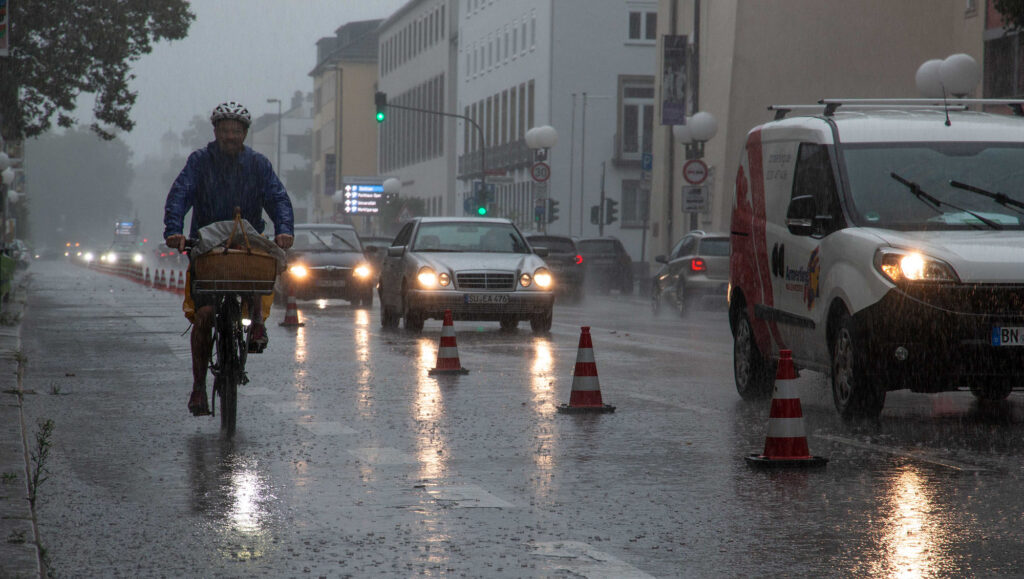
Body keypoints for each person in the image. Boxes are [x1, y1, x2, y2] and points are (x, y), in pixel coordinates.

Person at [164, 101, 295, 416]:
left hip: (245, 241)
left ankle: (258, 324)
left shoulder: (258, 165)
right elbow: (180, 194)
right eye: (225, 130)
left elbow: (277, 197)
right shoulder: (199, 162)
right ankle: (198, 388)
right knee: (205, 316)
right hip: (207, 245)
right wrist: (174, 230)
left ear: (245, 134)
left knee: (254, 268)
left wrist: (284, 230)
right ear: (215, 132)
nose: (230, 136)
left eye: (236, 131)